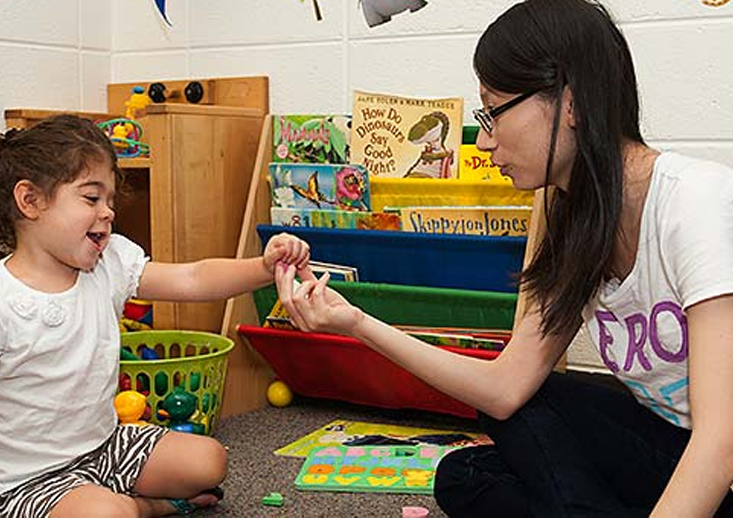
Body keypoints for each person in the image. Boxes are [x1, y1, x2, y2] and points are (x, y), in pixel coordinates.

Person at [275, 0, 733, 516]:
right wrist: (354, 322)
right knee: (466, 472)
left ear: (572, 102)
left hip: (722, 465)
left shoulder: (695, 199)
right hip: (667, 447)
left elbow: (719, 443)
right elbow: (504, 388)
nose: (487, 140)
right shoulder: (571, 214)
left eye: (493, 111)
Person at [0, 114, 310, 518]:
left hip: (103, 446)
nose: (108, 212)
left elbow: (192, 278)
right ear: (31, 201)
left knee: (209, 460)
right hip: (25, 479)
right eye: (91, 198)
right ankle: (142, 507)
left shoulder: (109, 262)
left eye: (110, 200)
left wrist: (262, 267)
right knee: (111, 515)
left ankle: (121, 500)